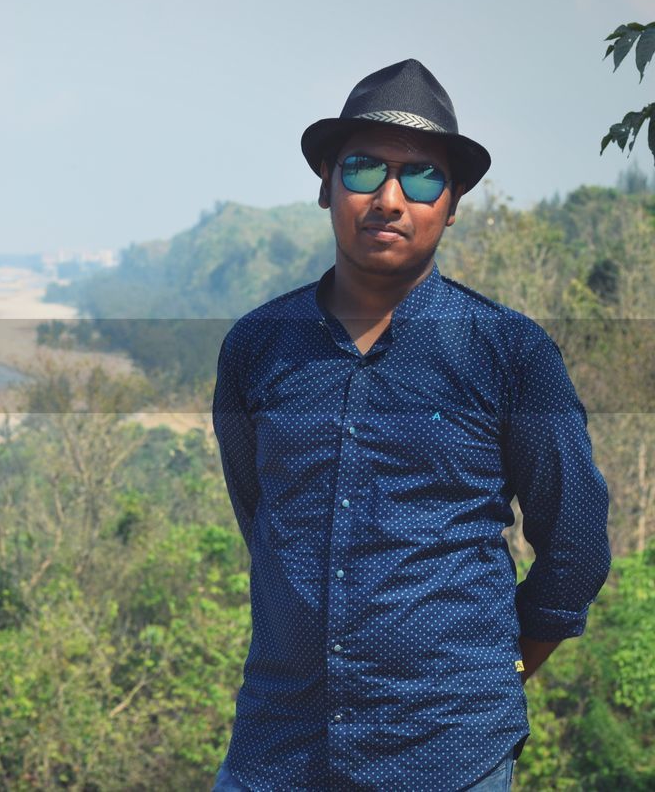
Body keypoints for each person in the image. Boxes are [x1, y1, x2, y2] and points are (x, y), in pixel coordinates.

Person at [210, 59, 611, 791]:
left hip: (447, 754)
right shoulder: (258, 347)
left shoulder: (509, 353)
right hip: (277, 747)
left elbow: (576, 544)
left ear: (451, 204)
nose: (390, 198)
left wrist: (494, 668)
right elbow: (264, 522)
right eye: (363, 168)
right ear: (326, 183)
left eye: (422, 177)